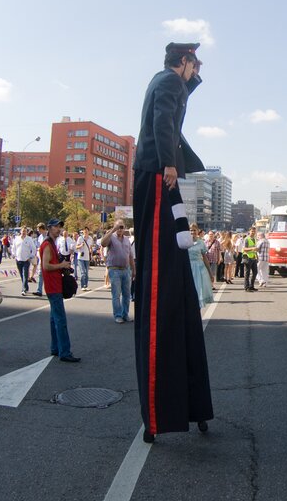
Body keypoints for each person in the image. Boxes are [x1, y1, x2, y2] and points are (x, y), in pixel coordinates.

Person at [133, 41, 213, 443]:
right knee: (159, 284)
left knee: (176, 268)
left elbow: (178, 100)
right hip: (154, 173)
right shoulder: (167, 82)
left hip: (159, 173)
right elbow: (164, 119)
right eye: (194, 63)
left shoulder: (170, 80)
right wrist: (168, 162)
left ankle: (189, 404)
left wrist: (193, 78)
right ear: (182, 62)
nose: (197, 68)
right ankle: (158, 412)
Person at [40, 219, 80, 362]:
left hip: (54, 285)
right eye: (56, 227)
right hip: (53, 286)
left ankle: (55, 348)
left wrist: (62, 266)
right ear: (49, 228)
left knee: (54, 319)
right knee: (60, 320)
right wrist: (61, 265)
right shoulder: (47, 245)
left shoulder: (51, 244)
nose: (59, 229)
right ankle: (65, 352)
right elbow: (46, 266)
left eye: (59, 227)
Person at [101, 219, 135, 324]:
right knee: (116, 294)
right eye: (118, 227)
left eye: (122, 227)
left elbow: (130, 256)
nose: (120, 229)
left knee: (127, 294)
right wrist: (112, 230)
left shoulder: (127, 240)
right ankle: (118, 315)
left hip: (125, 270)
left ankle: (125, 314)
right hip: (114, 269)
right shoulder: (111, 237)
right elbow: (103, 243)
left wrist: (133, 269)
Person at [188, 224, 214, 309]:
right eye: (191, 230)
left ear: (197, 231)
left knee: (198, 290)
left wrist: (210, 273)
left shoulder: (201, 242)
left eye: (194, 230)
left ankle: (196, 312)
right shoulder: (186, 241)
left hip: (199, 269)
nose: (192, 232)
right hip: (188, 268)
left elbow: (205, 258)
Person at [13, 226, 36, 296]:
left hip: (26, 260)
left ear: (27, 232)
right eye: (23, 231)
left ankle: (23, 290)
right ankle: (26, 286)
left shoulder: (29, 239)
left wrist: (31, 256)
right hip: (18, 260)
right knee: (22, 275)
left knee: (25, 275)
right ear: (20, 231)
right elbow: (13, 248)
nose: (24, 233)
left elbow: (34, 248)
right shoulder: (17, 239)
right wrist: (14, 255)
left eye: (25, 231)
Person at [242, 227, 259, 291]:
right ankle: (246, 287)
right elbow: (244, 249)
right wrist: (252, 248)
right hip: (247, 257)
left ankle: (251, 286)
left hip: (253, 257)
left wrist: (256, 254)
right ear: (249, 231)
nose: (253, 232)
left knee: (255, 272)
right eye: (252, 231)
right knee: (247, 273)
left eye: (254, 231)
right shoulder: (246, 239)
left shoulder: (254, 239)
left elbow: (254, 248)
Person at [32, 223, 47, 296]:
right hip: (41, 257)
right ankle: (39, 290)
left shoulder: (49, 236)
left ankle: (50, 290)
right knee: (40, 273)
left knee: (48, 275)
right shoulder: (40, 237)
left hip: (48, 257)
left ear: (42, 229)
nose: (38, 231)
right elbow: (38, 245)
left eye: (38, 229)